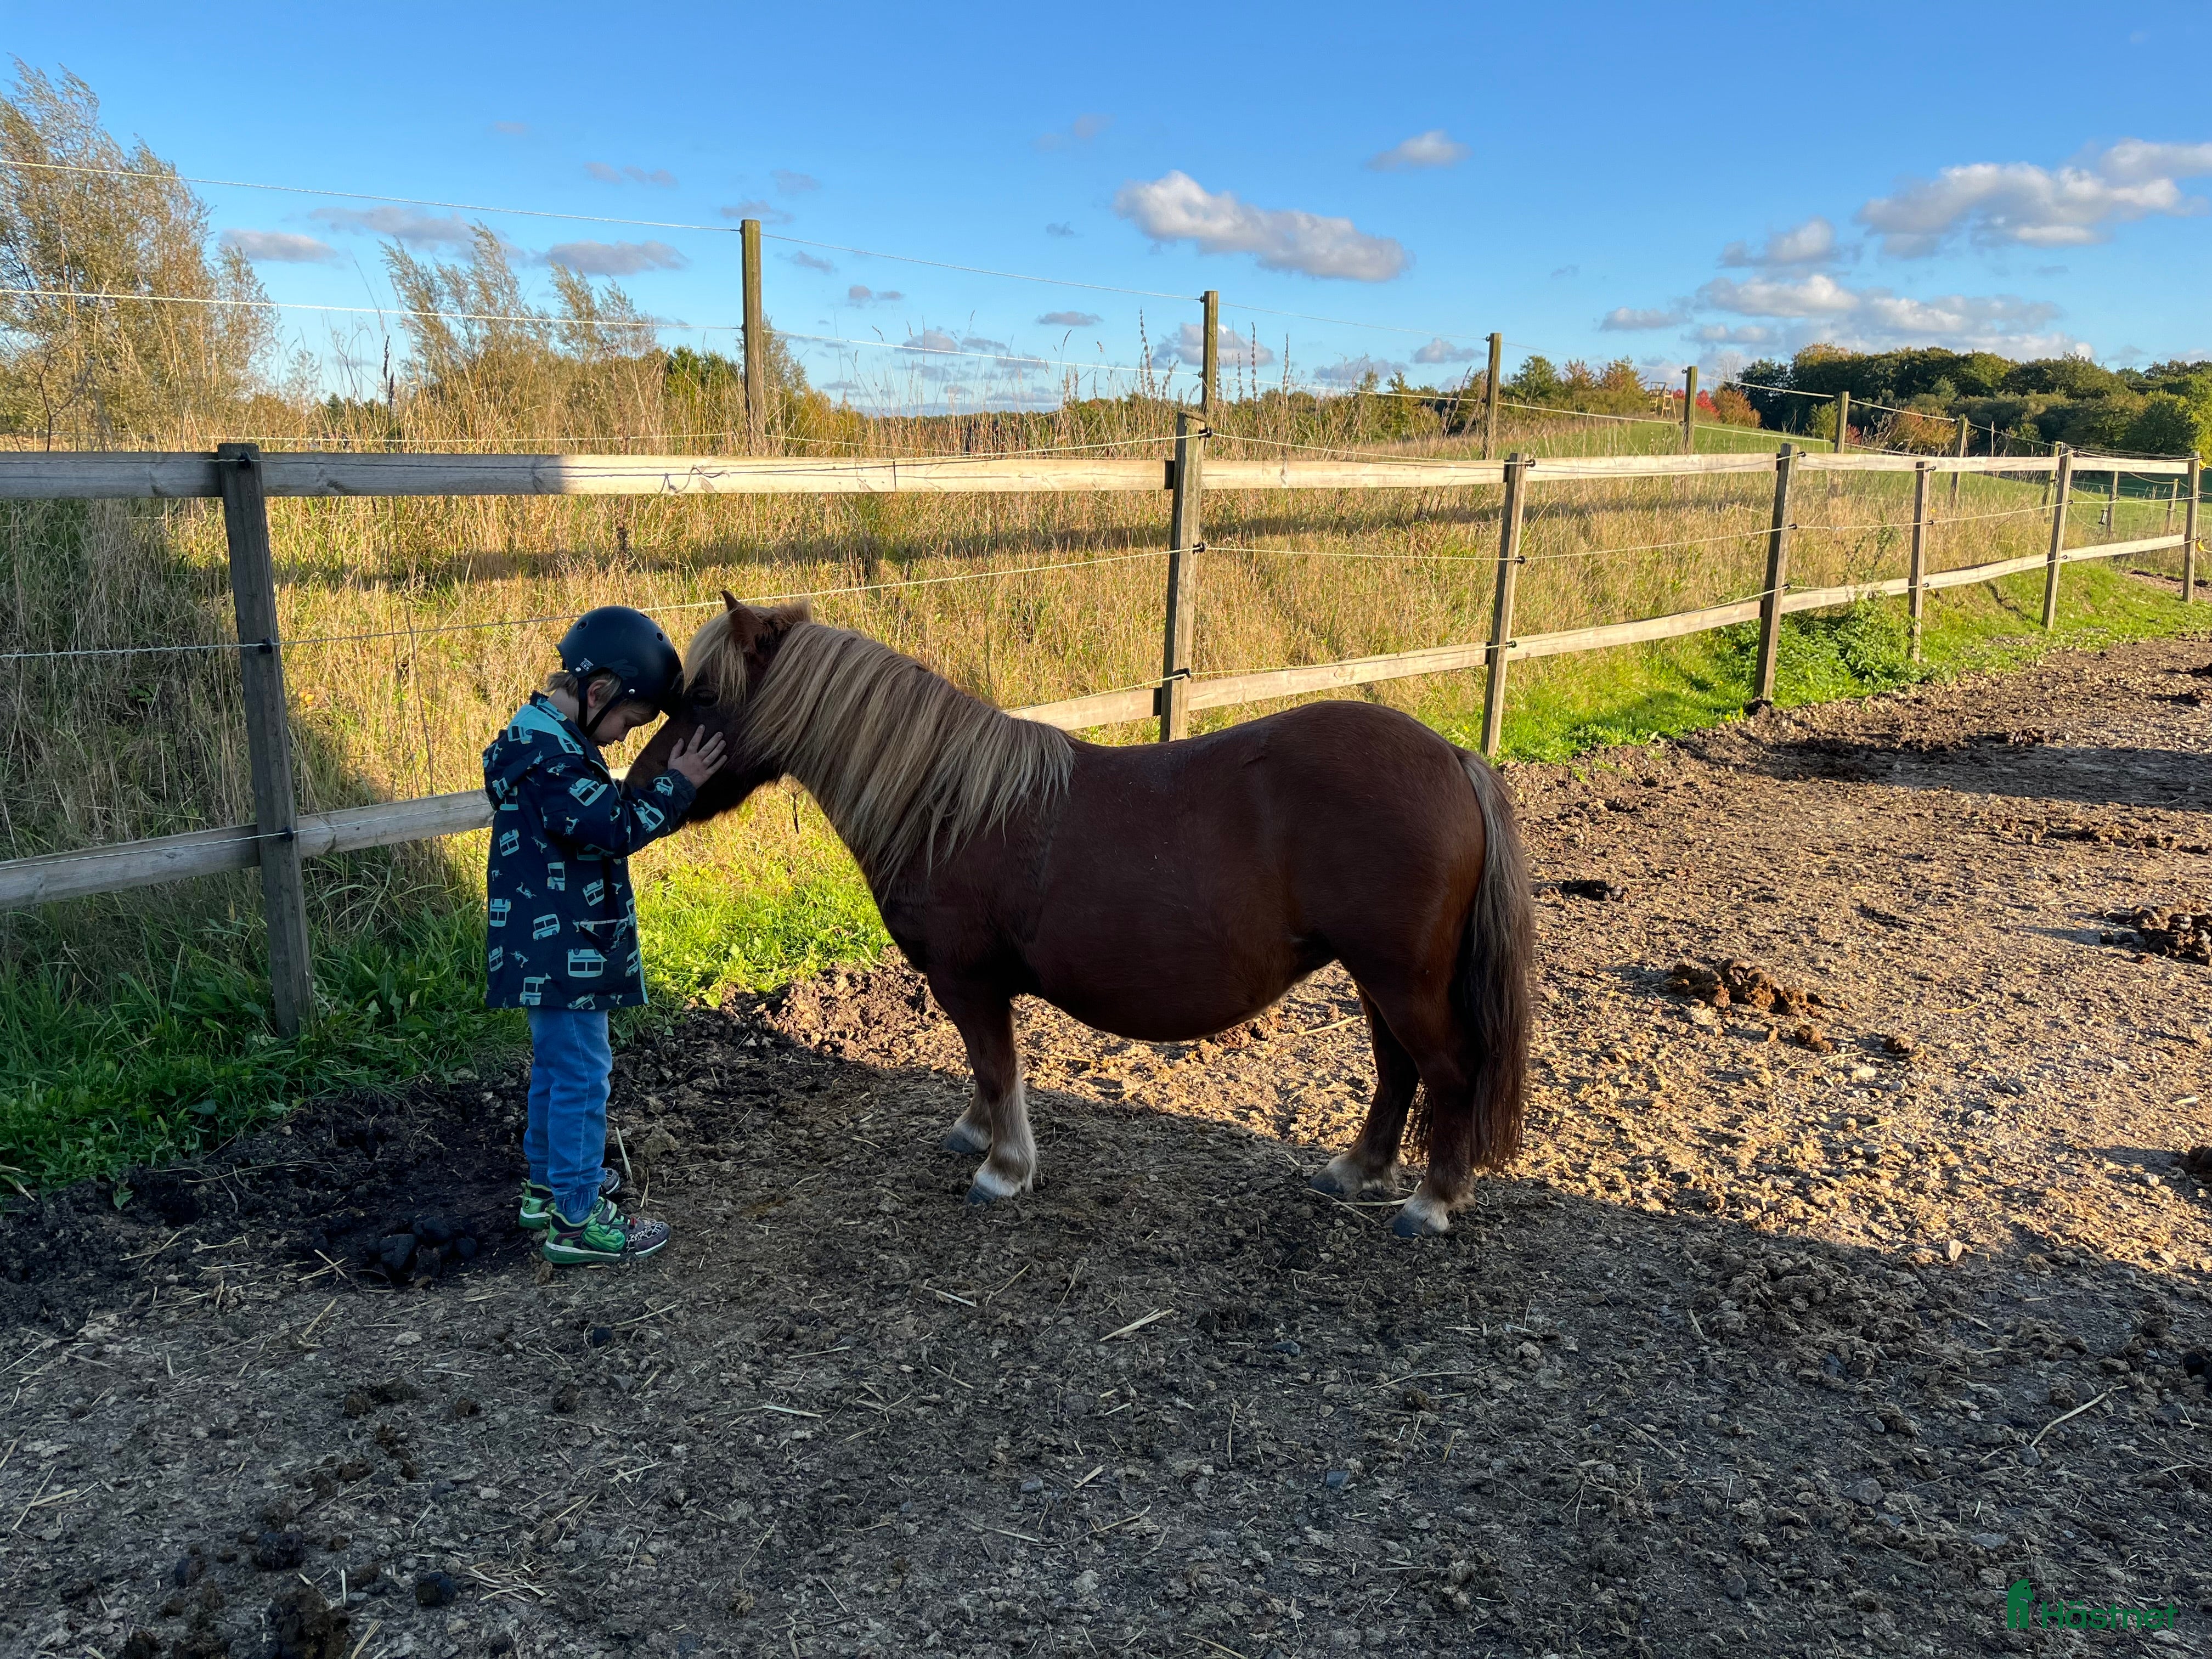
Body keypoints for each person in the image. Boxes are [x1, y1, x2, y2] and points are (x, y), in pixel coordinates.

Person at [482, 606, 726, 1266]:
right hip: (565, 953)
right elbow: (615, 828)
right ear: (597, 693)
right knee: (584, 1077)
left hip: (548, 948)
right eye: (628, 722)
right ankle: (578, 1218)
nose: (622, 739)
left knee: (557, 1071)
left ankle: (548, 1188)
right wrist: (679, 786)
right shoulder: (555, 764)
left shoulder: (538, 743)